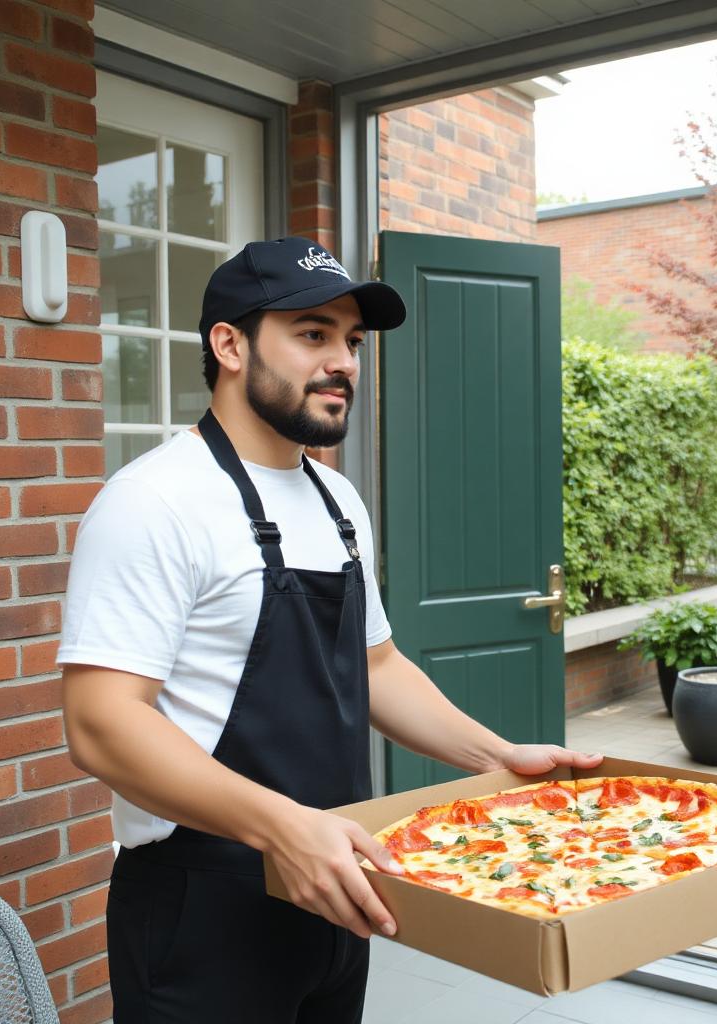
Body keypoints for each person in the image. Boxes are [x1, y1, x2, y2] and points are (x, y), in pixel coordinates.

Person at [58, 236, 602, 1024]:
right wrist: (285, 830)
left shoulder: (338, 503)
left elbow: (377, 669)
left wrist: (498, 756)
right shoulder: (153, 502)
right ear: (230, 345)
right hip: (206, 905)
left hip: (338, 880)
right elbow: (100, 725)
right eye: (312, 334)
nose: (344, 360)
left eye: (351, 340)